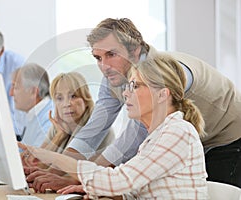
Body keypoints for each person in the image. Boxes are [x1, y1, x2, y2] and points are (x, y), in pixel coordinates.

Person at [27, 17, 241, 190]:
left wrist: (77, 178)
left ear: (135, 50)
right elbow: (94, 128)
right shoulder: (116, 76)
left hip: (230, 137)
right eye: (98, 58)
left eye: (111, 54)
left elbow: (129, 142)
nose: (104, 66)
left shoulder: (159, 76)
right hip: (198, 139)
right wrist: (54, 170)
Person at [27, 54, 208, 199]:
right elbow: (138, 191)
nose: (126, 93)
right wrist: (98, 191)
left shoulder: (177, 132)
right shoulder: (155, 138)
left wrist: (53, 158)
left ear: (162, 95)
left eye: (135, 86)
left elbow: (123, 180)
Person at [22, 72, 114, 191]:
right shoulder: (60, 127)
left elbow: (80, 176)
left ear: (86, 99)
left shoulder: (97, 129)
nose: (67, 104)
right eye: (59, 98)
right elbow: (37, 164)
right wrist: (59, 136)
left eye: (73, 96)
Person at [9, 63, 53, 147]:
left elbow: (35, 158)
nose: (11, 93)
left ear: (33, 91)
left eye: (15, 87)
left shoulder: (50, 117)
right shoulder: (34, 114)